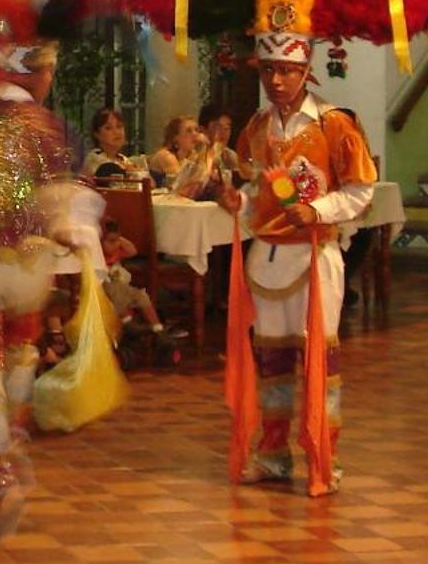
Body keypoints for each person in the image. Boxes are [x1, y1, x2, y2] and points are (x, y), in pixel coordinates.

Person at [0, 41, 106, 543]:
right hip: (28, 264)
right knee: (22, 353)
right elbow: (58, 200)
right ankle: (16, 443)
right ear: (40, 72)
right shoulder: (42, 126)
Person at [222, 26, 374, 495]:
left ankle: (323, 456)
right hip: (268, 258)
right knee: (273, 359)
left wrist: (316, 209)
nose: (277, 80)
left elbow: (360, 191)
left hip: (315, 255)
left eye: (287, 71)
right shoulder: (256, 127)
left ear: (306, 71)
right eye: (269, 70)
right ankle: (272, 454)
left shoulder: (334, 125)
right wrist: (239, 202)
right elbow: (256, 191)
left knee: (318, 360)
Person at [147, 115, 214, 198]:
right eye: (189, 131)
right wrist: (201, 152)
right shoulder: (166, 156)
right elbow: (181, 185)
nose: (195, 134)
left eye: (196, 130)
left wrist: (205, 152)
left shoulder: (192, 154)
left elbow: (203, 179)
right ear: (176, 137)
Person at [82, 107, 142, 181]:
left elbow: (148, 182)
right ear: (97, 134)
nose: (116, 132)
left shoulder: (123, 159)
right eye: (108, 128)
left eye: (119, 126)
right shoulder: (94, 158)